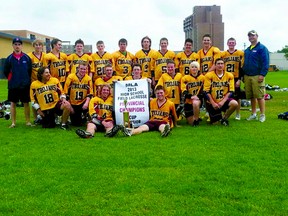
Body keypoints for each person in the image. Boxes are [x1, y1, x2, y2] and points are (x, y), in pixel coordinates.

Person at [4, 37, 32, 128]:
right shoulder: (9, 58)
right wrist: (12, 79)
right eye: (15, 44)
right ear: (12, 45)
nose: (17, 46)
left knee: (26, 103)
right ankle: (13, 123)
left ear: (21, 46)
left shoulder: (27, 58)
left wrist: (25, 80)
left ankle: (28, 121)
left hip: (25, 85)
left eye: (19, 44)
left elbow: (29, 70)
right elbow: (6, 71)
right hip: (13, 85)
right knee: (13, 103)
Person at [243, 30, 269, 123]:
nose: (251, 37)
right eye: (249, 36)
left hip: (257, 75)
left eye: (253, 36)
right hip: (247, 76)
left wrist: (262, 74)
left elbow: (265, 62)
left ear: (257, 36)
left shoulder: (262, 48)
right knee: (251, 96)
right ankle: (253, 114)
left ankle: (262, 115)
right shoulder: (247, 50)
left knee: (260, 96)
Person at [203, 58, 238, 126]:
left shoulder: (229, 75)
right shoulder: (209, 75)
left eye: (222, 64)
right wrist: (213, 103)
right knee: (215, 123)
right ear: (215, 65)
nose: (220, 65)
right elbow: (206, 92)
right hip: (213, 101)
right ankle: (217, 117)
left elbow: (231, 91)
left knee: (234, 103)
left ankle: (224, 118)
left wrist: (223, 101)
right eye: (218, 64)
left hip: (224, 100)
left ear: (224, 65)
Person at [221, 37, 245, 120]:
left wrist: (239, 79)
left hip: (235, 77)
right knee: (225, 95)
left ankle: (238, 113)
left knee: (237, 96)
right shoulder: (223, 54)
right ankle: (226, 112)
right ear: (227, 44)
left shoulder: (240, 53)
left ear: (235, 43)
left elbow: (242, 68)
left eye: (233, 42)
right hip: (226, 78)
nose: (231, 44)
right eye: (230, 42)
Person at [64, 62, 93, 126]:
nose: (83, 70)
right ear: (78, 69)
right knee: (76, 124)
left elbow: (90, 94)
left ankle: (87, 118)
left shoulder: (88, 79)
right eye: (81, 69)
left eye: (85, 69)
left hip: (83, 102)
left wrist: (86, 103)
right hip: (73, 103)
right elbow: (66, 92)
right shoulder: (71, 77)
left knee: (91, 103)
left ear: (87, 69)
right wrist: (70, 106)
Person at [27, 39, 46, 124]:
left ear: (42, 46)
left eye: (39, 45)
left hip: (42, 81)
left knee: (42, 99)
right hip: (33, 81)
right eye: (36, 45)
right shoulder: (29, 56)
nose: (38, 46)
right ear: (33, 46)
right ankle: (35, 118)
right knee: (34, 100)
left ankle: (42, 116)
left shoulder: (44, 56)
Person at [181, 61, 205, 126]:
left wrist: (199, 96)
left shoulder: (203, 78)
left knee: (195, 102)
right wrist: (190, 96)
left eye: (196, 67)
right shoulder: (185, 78)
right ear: (190, 69)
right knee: (190, 122)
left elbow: (205, 89)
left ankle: (196, 120)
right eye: (192, 67)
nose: (194, 68)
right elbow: (183, 90)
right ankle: (195, 118)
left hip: (198, 99)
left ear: (198, 68)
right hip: (188, 100)